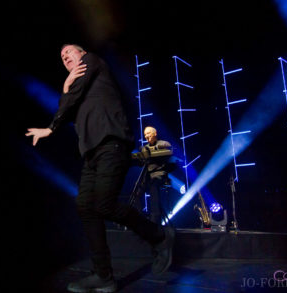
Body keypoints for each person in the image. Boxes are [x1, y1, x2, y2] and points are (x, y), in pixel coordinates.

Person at [25, 44, 175, 293]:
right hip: (92, 153)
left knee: (104, 204)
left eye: (69, 52)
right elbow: (71, 108)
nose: (65, 57)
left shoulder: (92, 61)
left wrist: (51, 127)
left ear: (82, 53)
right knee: (85, 206)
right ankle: (104, 275)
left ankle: (159, 237)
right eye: (62, 57)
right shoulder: (78, 87)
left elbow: (70, 100)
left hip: (111, 143)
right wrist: (65, 87)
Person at [141, 126, 172, 224]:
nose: (146, 136)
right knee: (136, 191)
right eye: (145, 134)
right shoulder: (144, 148)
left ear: (155, 133)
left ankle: (155, 218)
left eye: (148, 133)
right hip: (147, 176)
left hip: (160, 176)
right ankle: (139, 217)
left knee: (153, 185)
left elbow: (169, 151)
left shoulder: (164, 143)